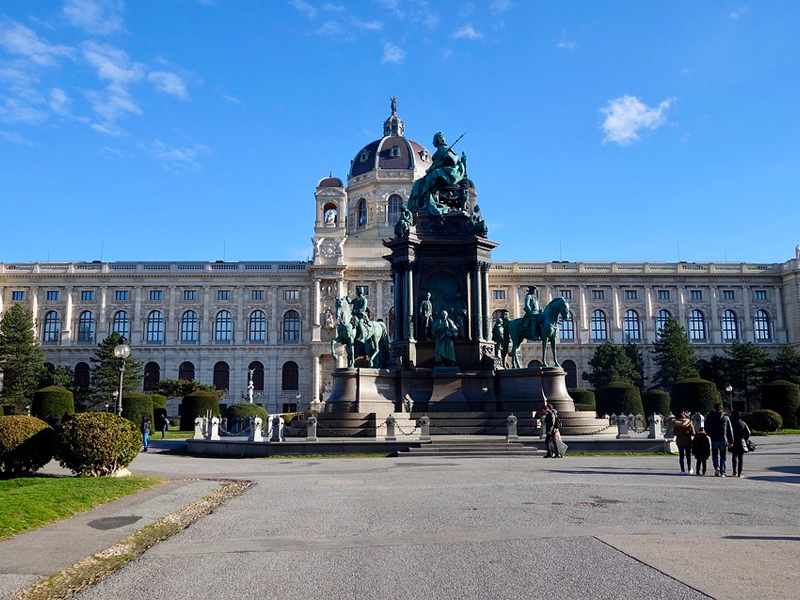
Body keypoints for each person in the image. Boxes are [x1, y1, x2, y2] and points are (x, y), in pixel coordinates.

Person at [705, 403, 734, 477]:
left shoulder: (711, 416)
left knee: (714, 455)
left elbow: (706, 426)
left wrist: (709, 434)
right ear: (721, 409)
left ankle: (716, 468)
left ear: (714, 408)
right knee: (723, 456)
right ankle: (722, 471)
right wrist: (731, 441)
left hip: (714, 438)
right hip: (723, 439)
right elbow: (730, 430)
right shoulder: (725, 417)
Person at [672, 410, 695, 474]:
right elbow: (693, 433)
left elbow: (674, 433)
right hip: (688, 441)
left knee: (681, 456)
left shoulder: (676, 423)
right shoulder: (689, 422)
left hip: (679, 441)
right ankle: (690, 469)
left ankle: (682, 470)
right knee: (688, 456)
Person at [730, 410, 751, 478]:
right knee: (740, 458)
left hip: (733, 441)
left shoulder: (731, 423)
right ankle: (739, 473)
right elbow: (748, 432)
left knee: (734, 457)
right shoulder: (743, 423)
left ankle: (734, 472)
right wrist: (745, 439)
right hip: (741, 441)